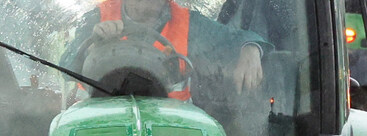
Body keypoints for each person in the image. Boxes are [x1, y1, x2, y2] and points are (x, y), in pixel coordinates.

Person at [60, 0, 271, 98]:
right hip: (95, 125)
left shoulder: (191, 23)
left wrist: (251, 48)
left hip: (171, 133)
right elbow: (66, 66)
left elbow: (234, 39)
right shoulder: (98, 16)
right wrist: (93, 47)